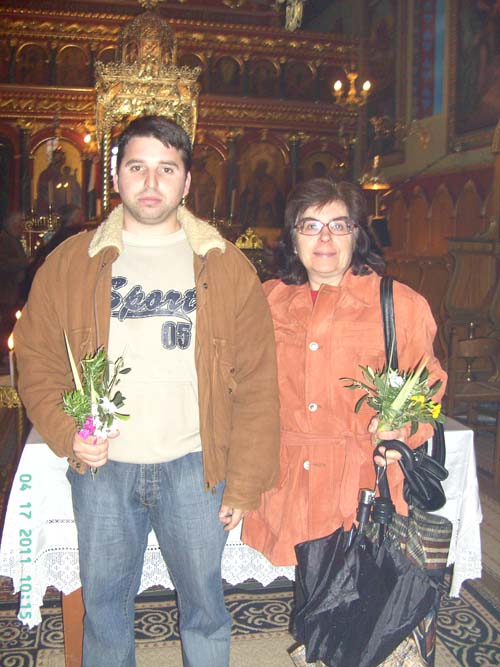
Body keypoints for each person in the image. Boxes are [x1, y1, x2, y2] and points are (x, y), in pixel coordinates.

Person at [15, 115, 280, 667]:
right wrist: (68, 433)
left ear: (187, 181)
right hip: (104, 469)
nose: (152, 182)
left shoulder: (226, 265)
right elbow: (36, 360)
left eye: (167, 169)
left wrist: (245, 482)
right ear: (116, 176)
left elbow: (257, 381)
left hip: (197, 466)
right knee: (104, 609)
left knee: (205, 607)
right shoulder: (71, 263)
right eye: (137, 167)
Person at [243, 178, 447, 566]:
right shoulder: (267, 300)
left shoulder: (400, 304)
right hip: (291, 478)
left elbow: (429, 385)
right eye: (310, 225)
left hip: (364, 480)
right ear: (293, 238)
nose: (325, 238)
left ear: (357, 235)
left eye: (339, 225)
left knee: (361, 587)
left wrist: (403, 429)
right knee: (310, 585)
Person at [0, 211, 28, 363]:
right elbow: (3, 263)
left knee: (10, 322)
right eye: (18, 223)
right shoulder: (4, 240)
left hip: (12, 290)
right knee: (6, 323)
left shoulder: (13, 239)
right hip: (5, 290)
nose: (21, 226)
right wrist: (23, 263)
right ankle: (4, 353)